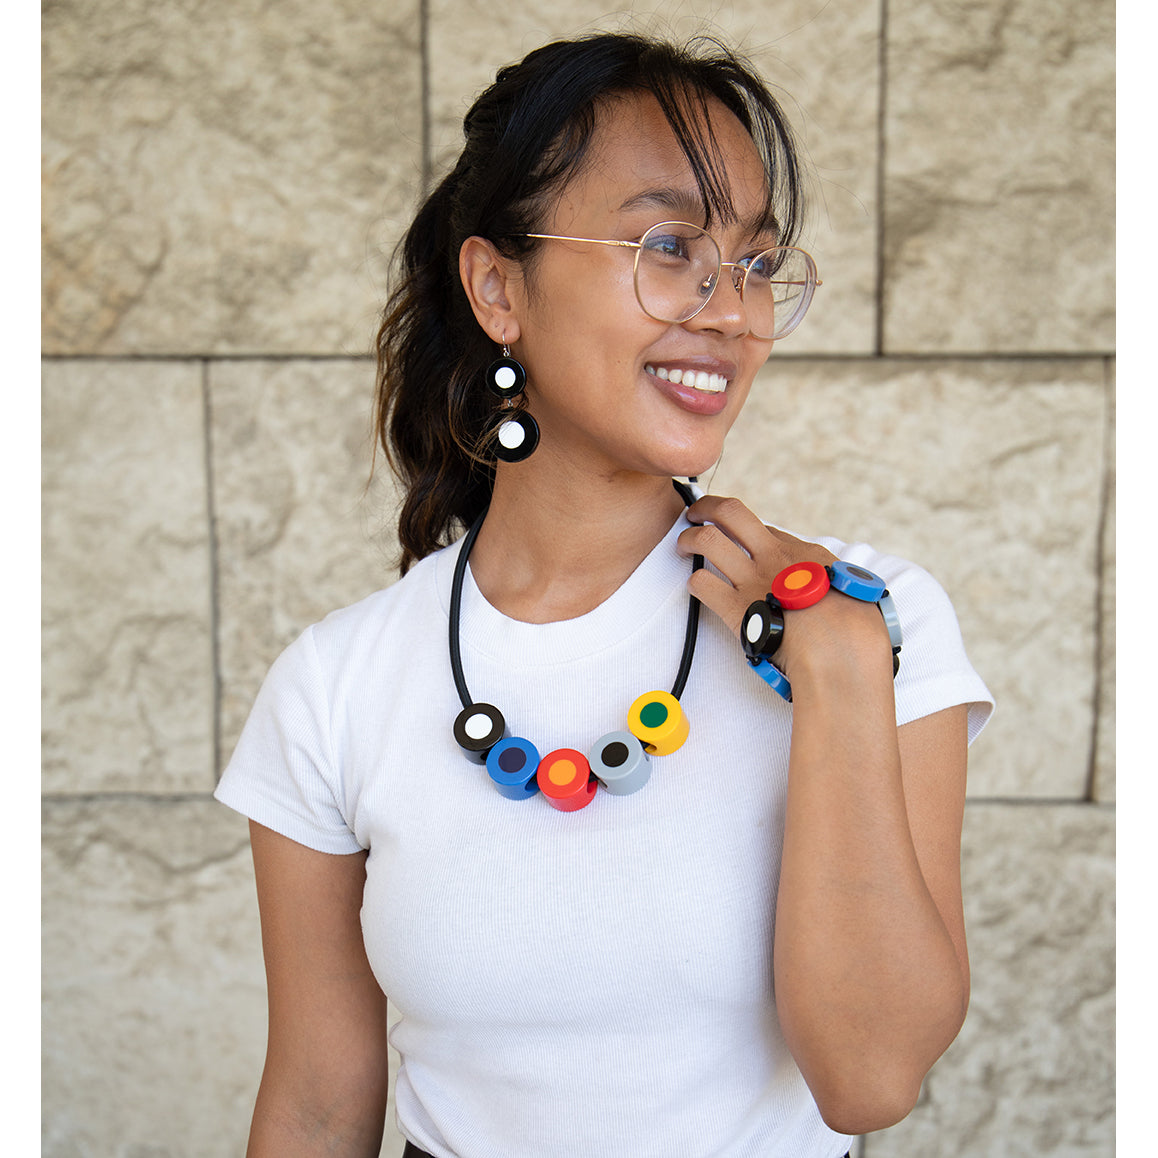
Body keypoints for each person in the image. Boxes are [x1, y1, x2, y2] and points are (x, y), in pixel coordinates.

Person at [214, 31, 994, 1158]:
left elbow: (870, 1080)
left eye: (760, 263)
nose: (732, 311)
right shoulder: (337, 684)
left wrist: (834, 670)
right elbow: (317, 1104)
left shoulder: (872, 620)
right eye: (671, 245)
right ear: (497, 288)